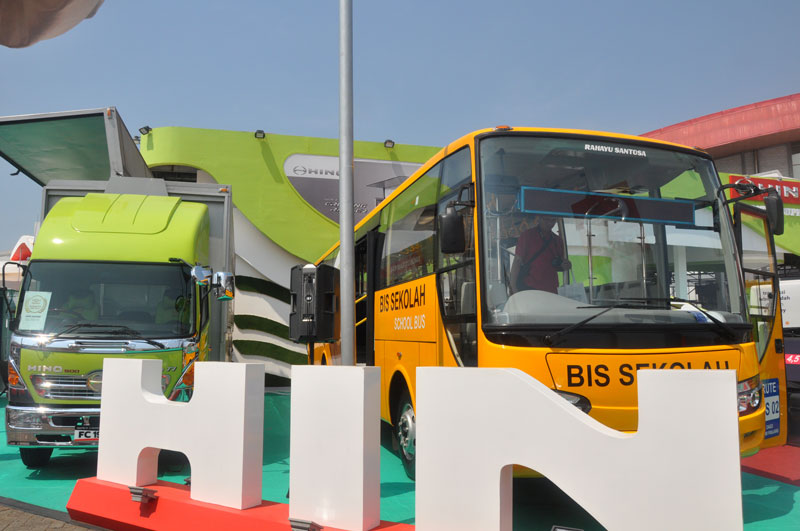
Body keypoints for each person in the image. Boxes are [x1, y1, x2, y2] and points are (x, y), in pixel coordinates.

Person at [509, 216, 571, 294]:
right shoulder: (527, 236)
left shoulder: (558, 240)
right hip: (530, 288)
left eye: (553, 220)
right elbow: (517, 262)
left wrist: (565, 265)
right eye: (546, 219)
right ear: (539, 219)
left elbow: (557, 265)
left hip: (552, 290)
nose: (550, 223)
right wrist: (513, 287)